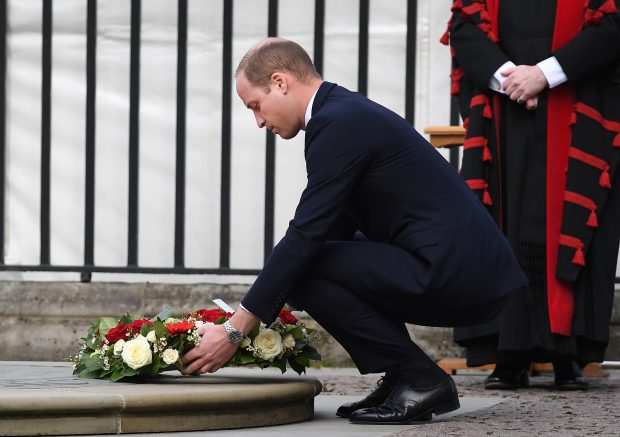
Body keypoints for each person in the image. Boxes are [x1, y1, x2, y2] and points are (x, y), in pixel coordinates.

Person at [182, 37, 528, 424]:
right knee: (310, 261)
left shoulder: (337, 122)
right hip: (460, 268)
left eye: (256, 106)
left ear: (280, 82)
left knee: (306, 267)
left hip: (458, 274)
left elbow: (307, 234)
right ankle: (403, 376)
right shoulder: (341, 113)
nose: (259, 121)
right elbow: (333, 228)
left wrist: (236, 329)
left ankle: (420, 379)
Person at [442, 0, 620, 390]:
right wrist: (513, 79)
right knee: (500, 229)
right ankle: (508, 355)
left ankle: (566, 355)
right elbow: (465, 27)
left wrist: (544, 74)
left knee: (571, 230)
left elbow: (611, 28)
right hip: (504, 116)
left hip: (575, 107)